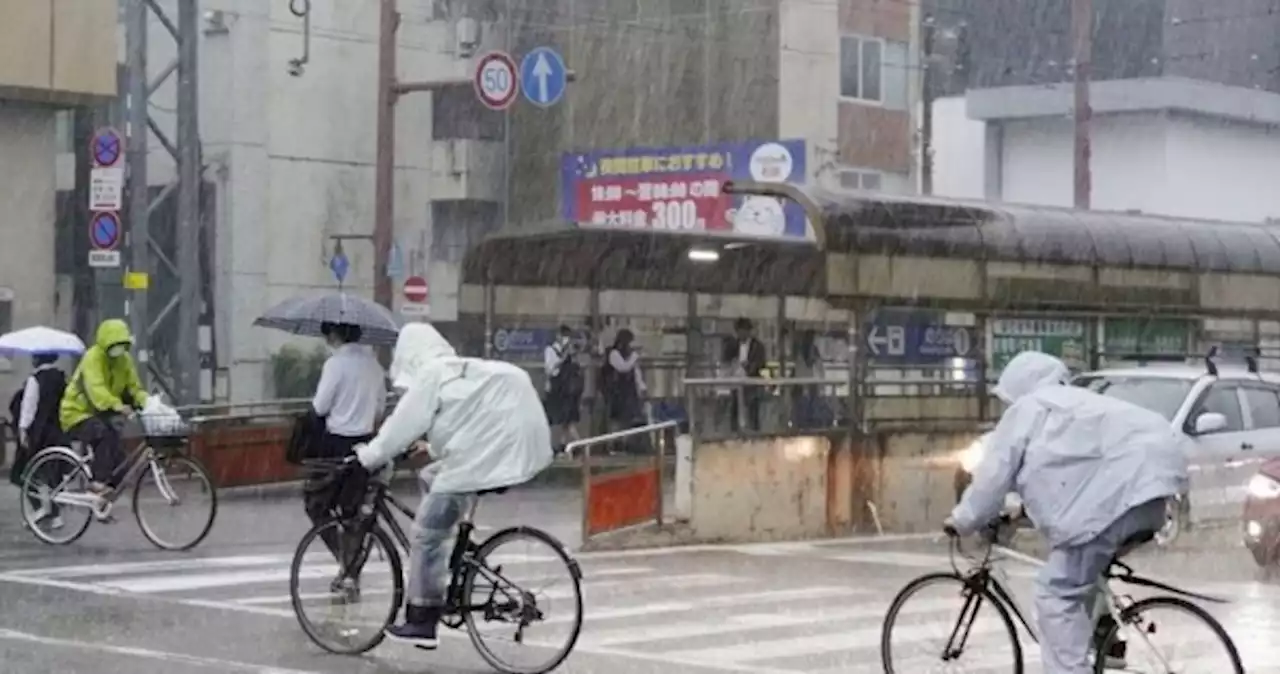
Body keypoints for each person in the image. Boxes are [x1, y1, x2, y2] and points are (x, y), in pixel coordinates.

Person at [944, 351, 1190, 674]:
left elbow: (993, 477)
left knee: (1055, 594)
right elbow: (1070, 473)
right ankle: (1103, 639)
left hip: (1118, 501)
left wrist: (962, 520)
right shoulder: (1079, 404)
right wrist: (1020, 512)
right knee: (1081, 571)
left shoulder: (1029, 409)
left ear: (1020, 387)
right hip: (1153, 495)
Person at [354, 322, 553, 649]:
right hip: (514, 442)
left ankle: (422, 619)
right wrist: (432, 450)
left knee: (427, 532)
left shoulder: (432, 374)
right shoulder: (460, 370)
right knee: (431, 475)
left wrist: (368, 457)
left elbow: (400, 427)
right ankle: (460, 557)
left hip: (485, 456)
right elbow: (470, 420)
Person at [304, 321, 386, 596]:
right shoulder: (374, 365)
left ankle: (346, 562)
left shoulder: (335, 364)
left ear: (336, 334)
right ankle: (351, 569)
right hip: (366, 445)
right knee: (353, 511)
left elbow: (320, 406)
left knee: (317, 504)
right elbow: (380, 408)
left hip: (337, 445)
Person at [60, 319, 149, 498]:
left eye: (122, 344)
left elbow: (134, 387)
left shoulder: (124, 360)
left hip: (100, 412)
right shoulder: (92, 357)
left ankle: (105, 499)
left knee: (119, 456)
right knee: (103, 434)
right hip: (77, 413)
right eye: (114, 344)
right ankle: (97, 483)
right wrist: (119, 406)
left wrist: (149, 403)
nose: (118, 348)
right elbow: (97, 390)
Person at [14, 353, 69, 527]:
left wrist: (22, 430)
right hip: (58, 432)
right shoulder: (62, 379)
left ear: (36, 359)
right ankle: (55, 516)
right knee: (53, 475)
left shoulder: (35, 379)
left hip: (39, 433)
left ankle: (41, 509)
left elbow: (28, 407)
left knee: (25, 473)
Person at [542, 325, 583, 452]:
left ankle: (563, 445)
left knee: (567, 419)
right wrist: (563, 357)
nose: (566, 339)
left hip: (568, 391)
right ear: (558, 336)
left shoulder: (571, 351)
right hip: (556, 390)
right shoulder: (550, 350)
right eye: (564, 336)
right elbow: (550, 370)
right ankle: (575, 445)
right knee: (556, 419)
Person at [722, 318, 767, 431]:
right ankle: (734, 432)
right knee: (734, 408)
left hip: (751, 383)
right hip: (736, 381)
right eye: (739, 331)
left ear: (748, 331)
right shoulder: (732, 344)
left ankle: (754, 432)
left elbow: (761, 363)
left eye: (743, 331)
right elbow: (726, 360)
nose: (741, 334)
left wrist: (748, 368)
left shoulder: (758, 346)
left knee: (752, 409)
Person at [600, 328, 647, 432]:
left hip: (629, 392)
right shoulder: (614, 353)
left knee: (629, 419)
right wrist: (634, 357)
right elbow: (623, 368)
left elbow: (636, 372)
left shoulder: (628, 354)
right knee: (617, 419)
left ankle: (625, 442)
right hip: (617, 391)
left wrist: (642, 386)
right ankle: (615, 442)